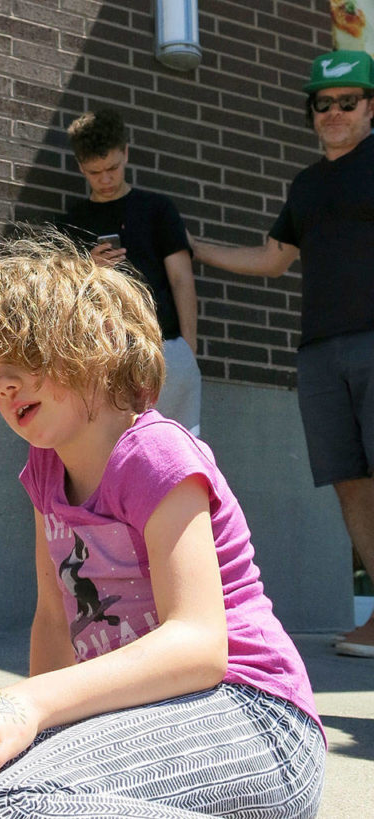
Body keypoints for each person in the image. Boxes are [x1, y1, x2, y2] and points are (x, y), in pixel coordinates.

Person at [0, 230, 324, 818]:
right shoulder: (44, 474)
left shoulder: (154, 453)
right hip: (153, 724)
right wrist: (27, 735)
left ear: (92, 342)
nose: (3, 385)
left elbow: (200, 645)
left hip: (255, 721)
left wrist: (29, 702)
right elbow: (54, 620)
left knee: (4, 810)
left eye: (23, 358)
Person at [190, 49, 374, 659]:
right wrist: (194, 247)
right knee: (350, 482)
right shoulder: (306, 185)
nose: (335, 113)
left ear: (370, 106)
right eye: (324, 105)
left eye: (348, 102)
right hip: (320, 352)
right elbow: (272, 259)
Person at [62, 109, 201, 435]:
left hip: (165, 348)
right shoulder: (71, 223)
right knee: (111, 459)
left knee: (176, 453)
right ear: (81, 167)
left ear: (126, 152)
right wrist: (87, 269)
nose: (106, 179)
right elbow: (59, 297)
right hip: (100, 359)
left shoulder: (157, 209)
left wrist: (188, 349)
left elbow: (182, 279)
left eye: (113, 167)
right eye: (95, 172)